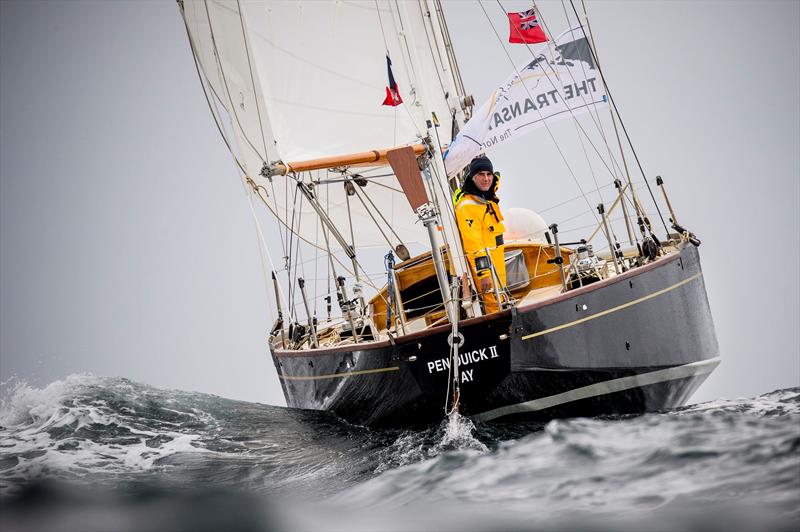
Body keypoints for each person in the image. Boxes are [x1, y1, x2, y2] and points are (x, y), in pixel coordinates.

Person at [453, 155, 507, 313]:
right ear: (472, 177)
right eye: (481, 175)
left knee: (501, 302)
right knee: (494, 306)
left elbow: (496, 182)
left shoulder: (488, 198)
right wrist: (483, 274)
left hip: (498, 265)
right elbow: (472, 244)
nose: (486, 179)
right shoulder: (467, 206)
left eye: (488, 174)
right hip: (486, 269)